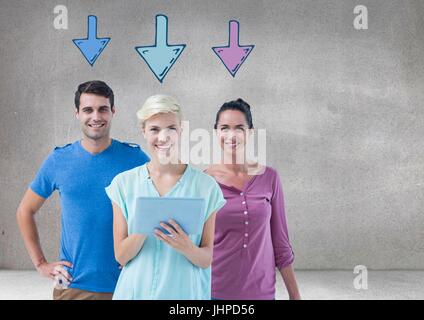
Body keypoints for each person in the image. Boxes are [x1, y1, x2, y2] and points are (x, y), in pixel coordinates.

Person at [16, 80, 149, 300]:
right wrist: (40, 264)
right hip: (73, 287)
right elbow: (25, 211)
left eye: (102, 109)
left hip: (126, 286)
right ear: (77, 113)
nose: (96, 117)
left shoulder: (135, 158)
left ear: (113, 112)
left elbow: (158, 208)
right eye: (88, 110)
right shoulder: (59, 160)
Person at [105, 95, 226, 299]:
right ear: (143, 131)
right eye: (154, 129)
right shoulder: (123, 185)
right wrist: (146, 225)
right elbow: (122, 256)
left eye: (171, 128)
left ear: (181, 131)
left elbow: (206, 259)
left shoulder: (206, 187)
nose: (163, 137)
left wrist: (186, 246)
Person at [206, 98, 301, 300]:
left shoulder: (270, 178)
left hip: (262, 293)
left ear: (250, 132)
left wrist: (295, 296)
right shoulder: (203, 182)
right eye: (225, 128)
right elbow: (194, 243)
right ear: (216, 132)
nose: (231, 135)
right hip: (214, 293)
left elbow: (281, 242)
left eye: (239, 128)